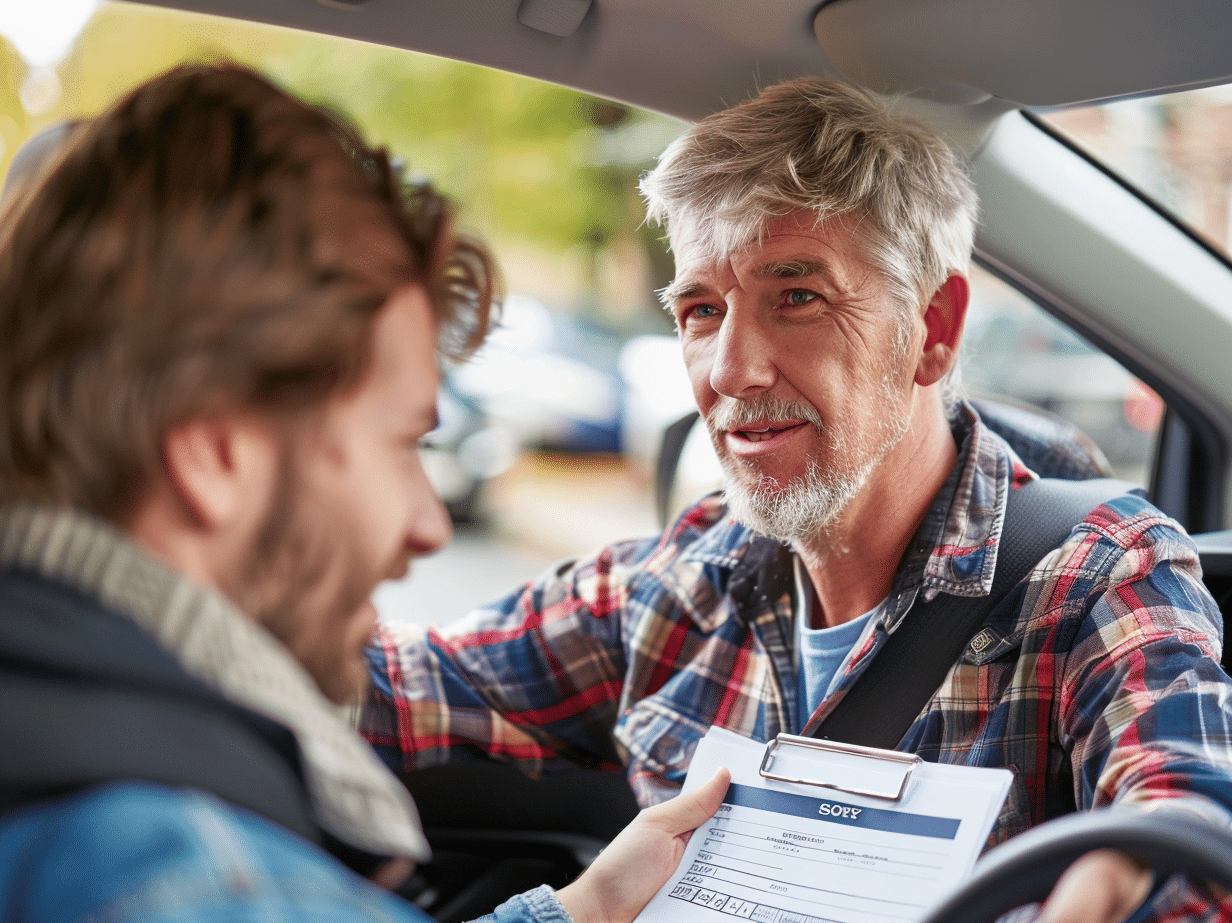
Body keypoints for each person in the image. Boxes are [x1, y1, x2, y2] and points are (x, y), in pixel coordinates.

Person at [360, 77, 1232, 922]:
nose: (731, 370)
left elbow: (1189, 814)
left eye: (798, 296)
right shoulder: (686, 580)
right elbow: (399, 688)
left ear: (930, 331)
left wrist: (1137, 873)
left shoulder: (1097, 578)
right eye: (701, 310)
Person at [0, 62, 730, 923]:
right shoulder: (201, 881)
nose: (426, 523)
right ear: (216, 452)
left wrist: (588, 908)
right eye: (400, 444)